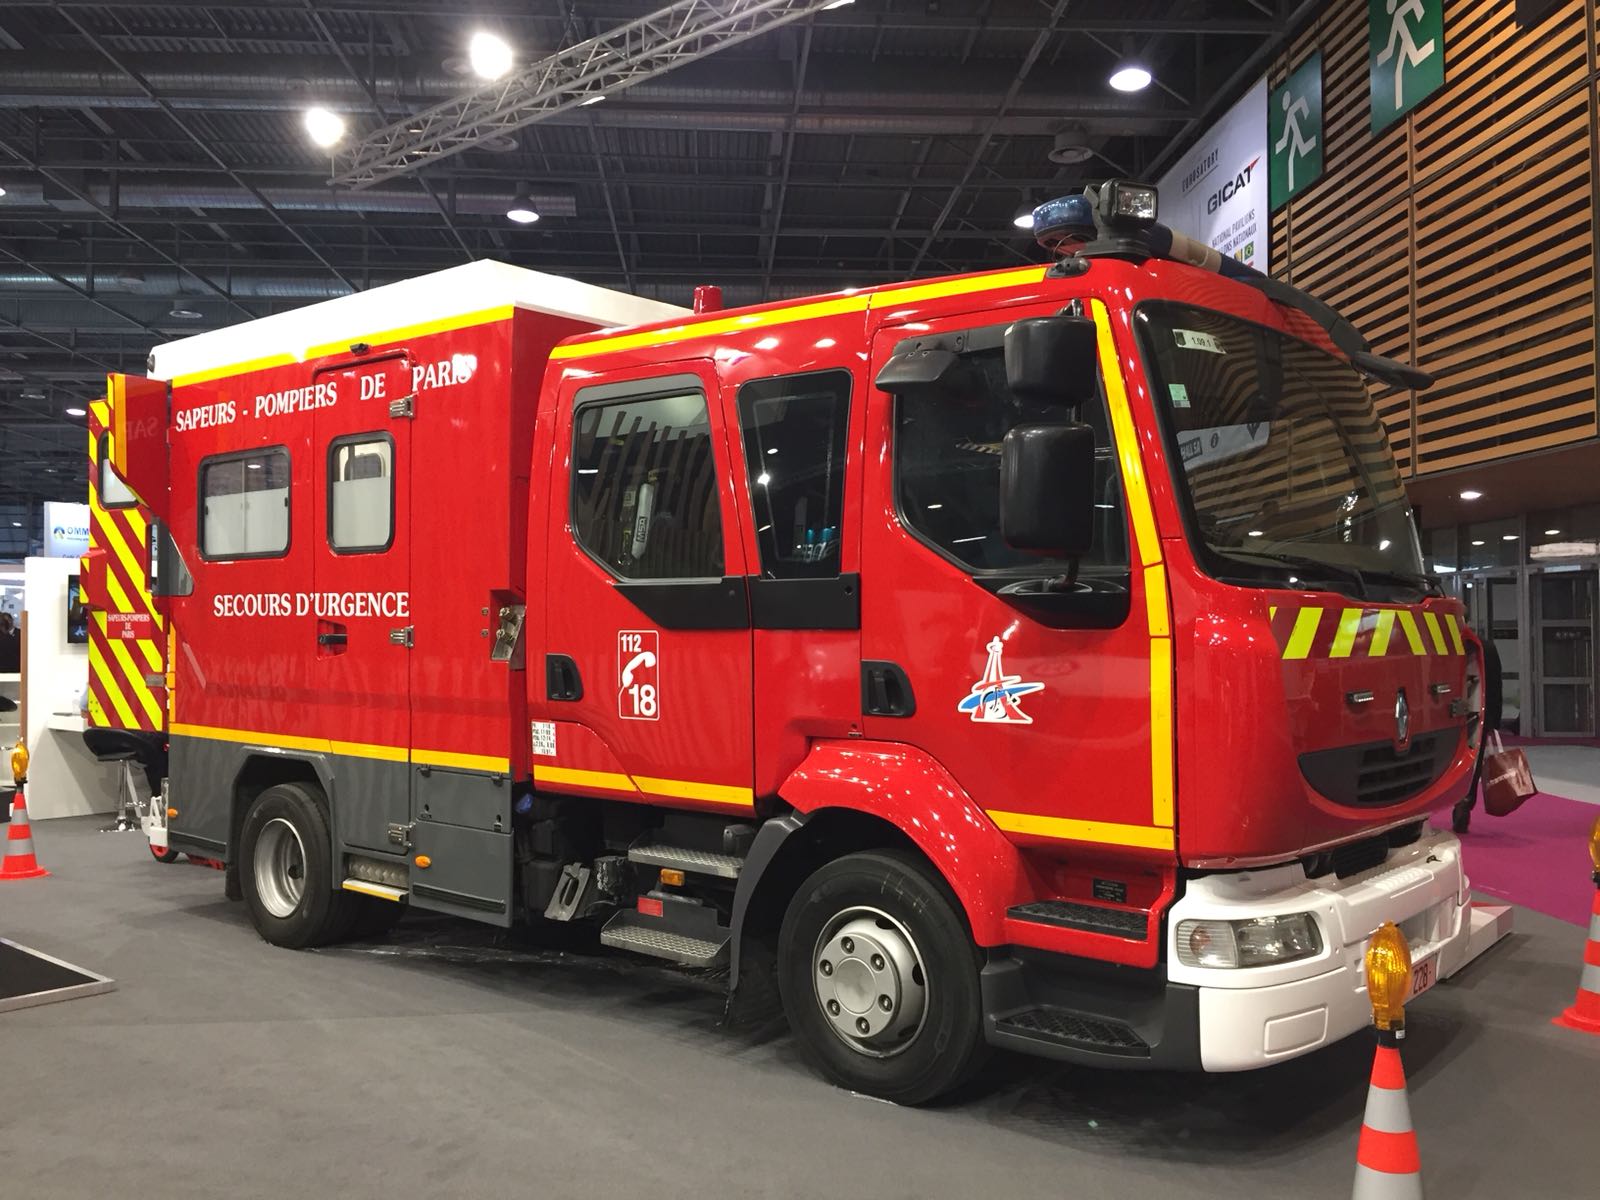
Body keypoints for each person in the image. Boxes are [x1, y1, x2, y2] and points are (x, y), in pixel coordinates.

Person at [1452, 636, 1503, 835]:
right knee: (1474, 763)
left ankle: (1459, 801)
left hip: (1452, 716)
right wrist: (1494, 720)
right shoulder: (1486, 647)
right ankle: (1465, 801)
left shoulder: (1447, 645)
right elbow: (1496, 684)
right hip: (1480, 716)